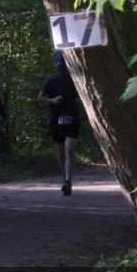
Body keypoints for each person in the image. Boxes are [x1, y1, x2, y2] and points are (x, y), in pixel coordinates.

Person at [38, 51, 82, 196]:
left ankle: (68, 182)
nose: (61, 68)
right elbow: (40, 98)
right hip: (56, 119)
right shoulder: (51, 80)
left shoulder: (76, 79)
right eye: (59, 66)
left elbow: (82, 96)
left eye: (63, 66)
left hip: (72, 118)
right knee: (61, 150)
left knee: (69, 149)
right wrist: (53, 101)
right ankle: (65, 175)